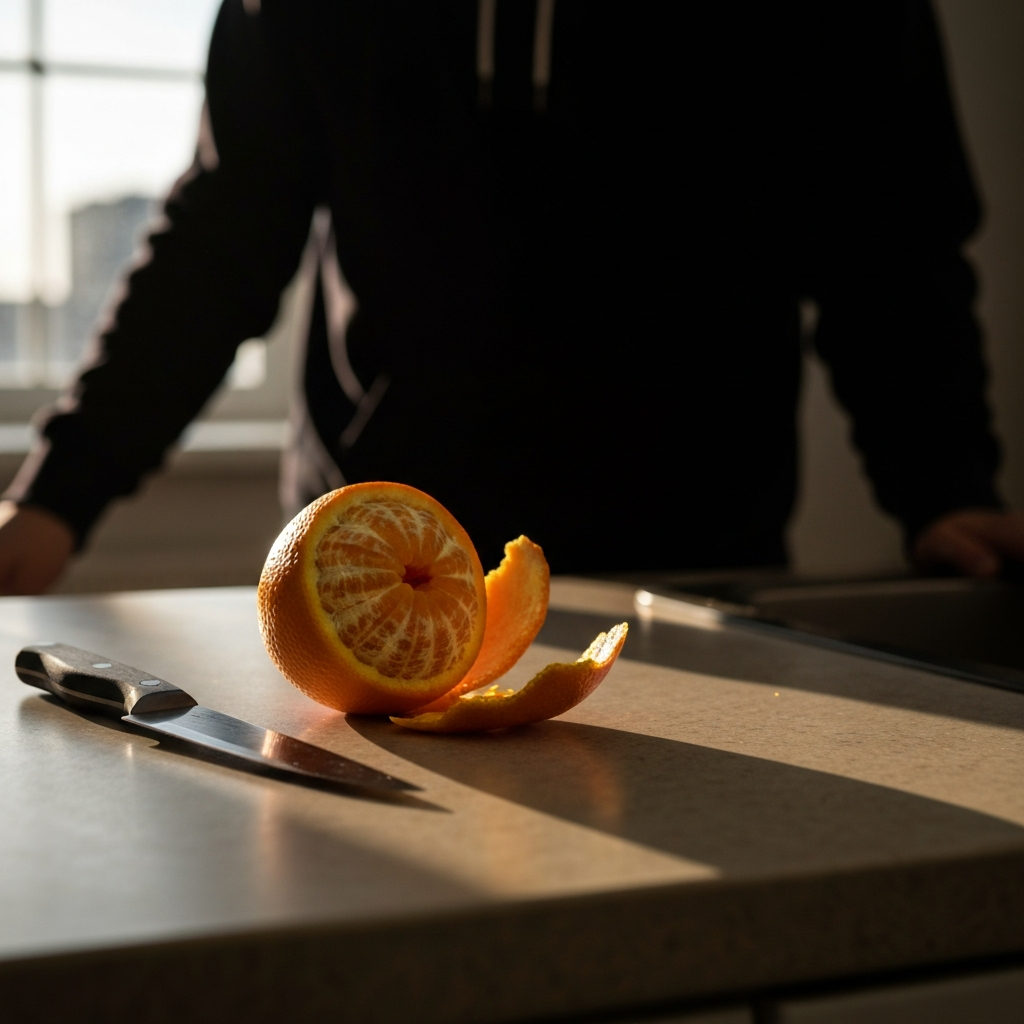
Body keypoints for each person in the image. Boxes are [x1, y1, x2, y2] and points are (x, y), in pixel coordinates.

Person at [1, 0, 1023, 595]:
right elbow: (225, 234)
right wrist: (53, 500)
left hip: (693, 573)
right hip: (373, 567)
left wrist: (945, 484)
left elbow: (887, 234)